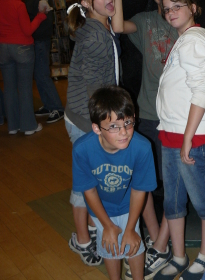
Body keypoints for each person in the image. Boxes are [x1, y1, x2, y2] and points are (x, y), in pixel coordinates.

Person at [112, 0, 180, 280]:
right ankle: (156, 241)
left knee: (176, 184)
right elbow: (116, 25)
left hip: (177, 119)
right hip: (148, 115)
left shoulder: (186, 23)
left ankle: (163, 244)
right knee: (144, 181)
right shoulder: (146, 21)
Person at [155, 0, 205, 280]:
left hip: (190, 137)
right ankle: (179, 255)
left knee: (203, 200)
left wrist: (187, 138)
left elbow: (203, 89)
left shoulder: (194, 41)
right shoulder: (188, 40)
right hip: (173, 132)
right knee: (172, 202)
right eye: (167, 8)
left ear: (193, 7)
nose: (171, 12)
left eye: (177, 6)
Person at [72, 85, 157, 280]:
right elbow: (89, 191)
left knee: (133, 243)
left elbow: (138, 191)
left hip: (129, 205)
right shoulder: (82, 150)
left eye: (128, 122)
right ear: (96, 128)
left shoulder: (142, 148)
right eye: (113, 127)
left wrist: (130, 228)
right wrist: (108, 226)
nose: (124, 132)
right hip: (100, 206)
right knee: (109, 245)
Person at [65, 0, 121, 266]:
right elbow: (91, 87)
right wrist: (101, 125)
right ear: (86, 3)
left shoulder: (95, 24)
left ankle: (87, 226)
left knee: (92, 178)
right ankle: (82, 239)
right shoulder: (97, 35)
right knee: (85, 181)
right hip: (86, 118)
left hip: (86, 113)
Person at [0, 0, 47, 135]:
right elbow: (28, 30)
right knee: (25, 88)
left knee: (9, 88)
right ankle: (28, 126)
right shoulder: (18, 5)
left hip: (3, 48)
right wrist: (41, 16)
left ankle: (13, 126)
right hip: (22, 48)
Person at [20, 0, 64, 123]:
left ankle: (57, 108)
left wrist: (36, 35)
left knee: (42, 75)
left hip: (39, 41)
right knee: (39, 75)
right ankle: (49, 104)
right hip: (38, 40)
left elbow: (44, 21)